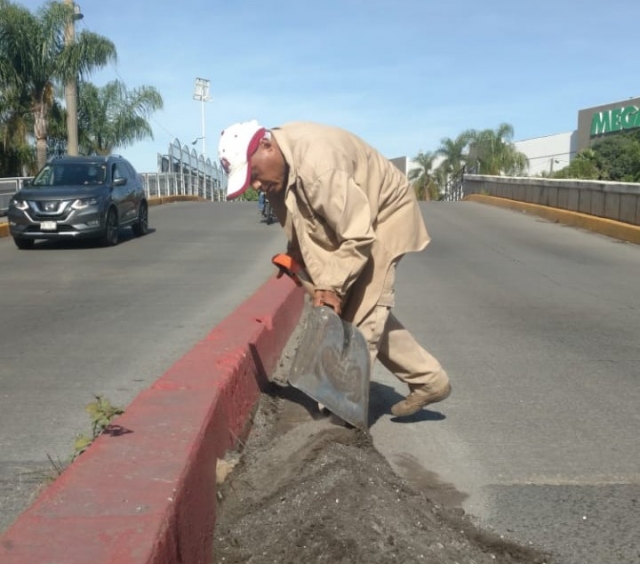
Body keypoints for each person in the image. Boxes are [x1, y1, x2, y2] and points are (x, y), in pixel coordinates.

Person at [218, 120, 451, 417]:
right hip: (354, 218)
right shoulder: (276, 172)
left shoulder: (318, 167)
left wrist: (331, 287)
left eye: (254, 174)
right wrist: (296, 258)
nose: (255, 186)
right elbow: (298, 224)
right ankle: (430, 380)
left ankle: (341, 417)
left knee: (362, 314)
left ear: (267, 145)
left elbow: (358, 234)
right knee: (364, 306)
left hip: (384, 214)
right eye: (248, 181)